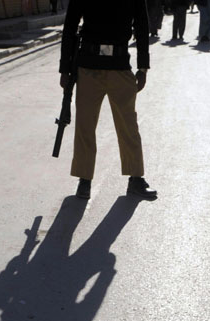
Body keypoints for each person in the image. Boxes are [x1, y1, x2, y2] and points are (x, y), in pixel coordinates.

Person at [59, 0, 158, 201]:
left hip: (120, 66)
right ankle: (84, 180)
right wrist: (65, 68)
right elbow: (70, 26)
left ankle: (135, 178)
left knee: (128, 126)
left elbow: (141, 24)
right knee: (85, 126)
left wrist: (143, 66)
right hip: (88, 66)